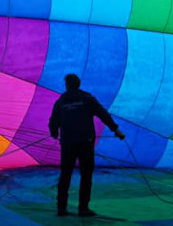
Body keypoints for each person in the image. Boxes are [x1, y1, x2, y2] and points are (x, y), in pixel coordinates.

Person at [49, 73, 125, 217]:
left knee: (65, 174)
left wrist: (54, 132)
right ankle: (83, 208)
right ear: (78, 84)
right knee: (86, 175)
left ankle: (61, 208)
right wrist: (115, 129)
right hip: (85, 142)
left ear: (67, 85)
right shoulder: (86, 98)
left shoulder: (61, 101)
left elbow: (53, 121)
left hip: (68, 143)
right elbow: (103, 114)